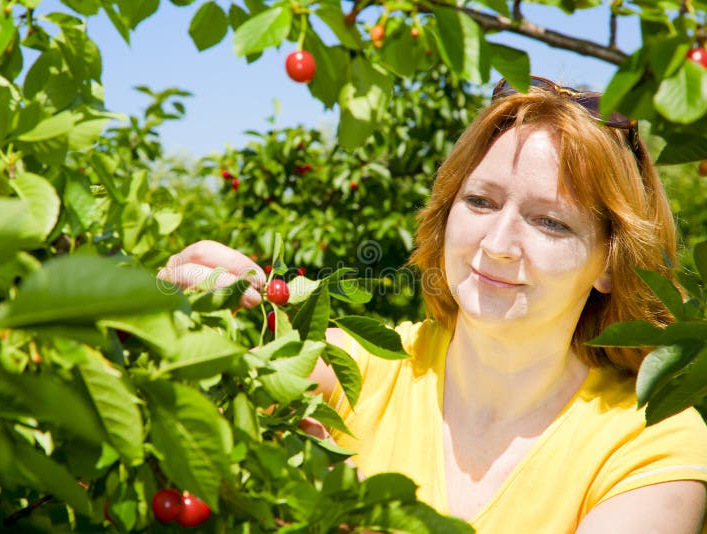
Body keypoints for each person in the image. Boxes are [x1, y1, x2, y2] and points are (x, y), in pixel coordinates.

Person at [159, 76, 707, 533]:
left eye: (549, 221)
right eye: (480, 201)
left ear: (611, 263)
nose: (497, 243)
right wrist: (169, 317)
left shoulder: (653, 441)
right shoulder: (365, 373)